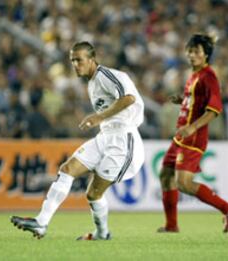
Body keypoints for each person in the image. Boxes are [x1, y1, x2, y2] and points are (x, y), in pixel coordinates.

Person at [11, 41, 145, 240]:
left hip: (124, 140)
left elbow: (129, 99)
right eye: (72, 60)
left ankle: (102, 234)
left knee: (93, 194)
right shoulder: (91, 83)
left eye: (79, 60)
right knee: (67, 169)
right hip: (105, 136)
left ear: (92, 59)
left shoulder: (107, 75)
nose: (75, 64)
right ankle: (41, 222)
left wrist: (98, 117)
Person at [158, 34, 228, 234]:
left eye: (196, 51)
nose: (191, 55)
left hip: (192, 137)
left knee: (184, 184)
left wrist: (192, 128)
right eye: (190, 50)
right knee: (166, 175)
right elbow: (198, 100)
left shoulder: (209, 76)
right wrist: (183, 100)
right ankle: (171, 225)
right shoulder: (194, 75)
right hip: (181, 135)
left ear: (206, 55)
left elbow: (214, 109)